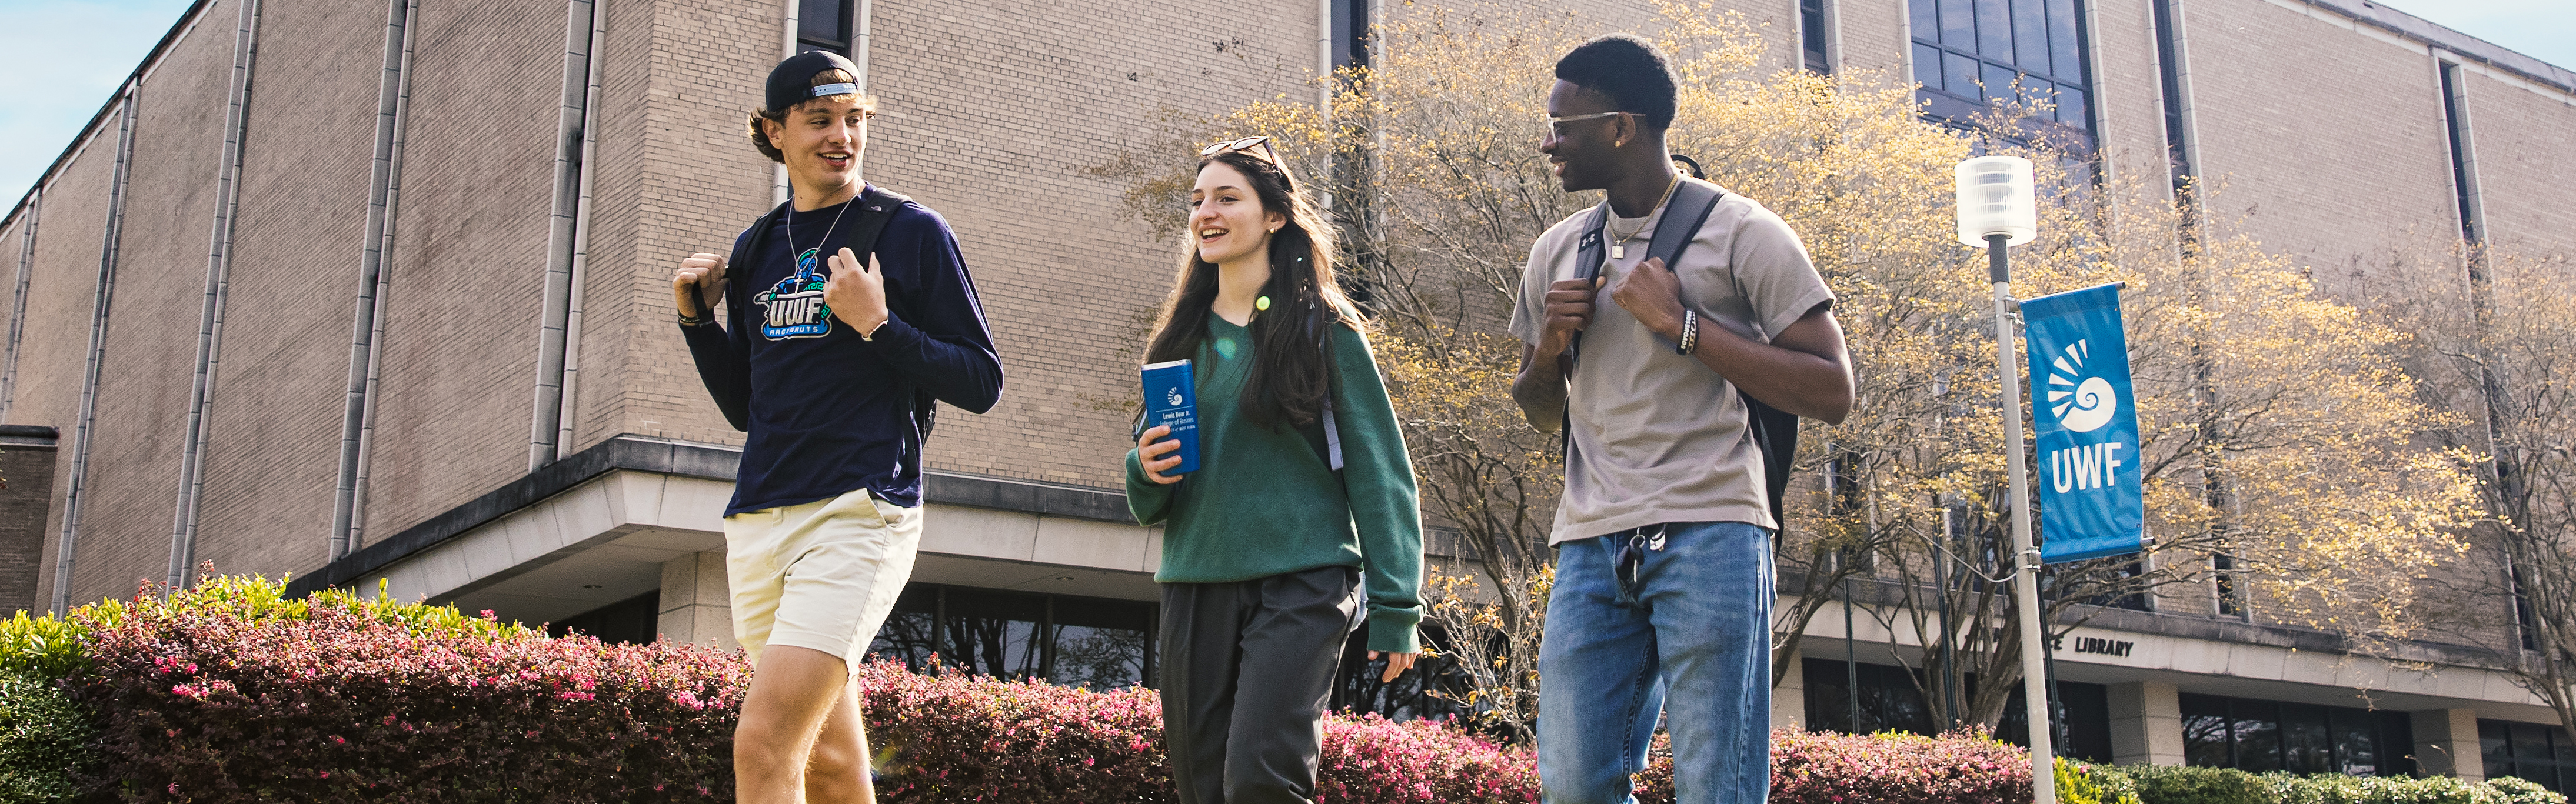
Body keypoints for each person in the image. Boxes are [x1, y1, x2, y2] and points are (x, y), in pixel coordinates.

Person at [1506, 35, 1855, 804]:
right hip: (1592, 537)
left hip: (1713, 529)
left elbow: (1833, 388)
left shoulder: (1745, 233)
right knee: (1571, 782)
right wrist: (1550, 349)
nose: (1547, 141)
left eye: (1563, 125)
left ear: (1622, 126)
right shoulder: (1556, 252)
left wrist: (1684, 326)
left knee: (1717, 784)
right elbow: (1536, 413)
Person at [671, 50, 1002, 804]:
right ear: (773, 131)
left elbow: (982, 382)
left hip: (859, 509)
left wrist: (879, 324)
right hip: (760, 515)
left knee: (763, 744)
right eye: (819, 120)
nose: (840, 136)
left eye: (854, 119)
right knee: (829, 767)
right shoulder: (759, 245)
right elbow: (747, 408)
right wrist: (698, 321)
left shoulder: (911, 230)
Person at [1127, 136, 1426, 804]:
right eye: (1197, 199)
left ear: (1275, 217)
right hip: (1195, 576)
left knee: (1263, 776)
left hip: (1304, 579)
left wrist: (1397, 603)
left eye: (1227, 197)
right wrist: (1144, 466)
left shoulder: (1326, 328)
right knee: (1203, 785)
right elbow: (1147, 498)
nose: (1206, 211)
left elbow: (1381, 470)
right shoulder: (1176, 338)